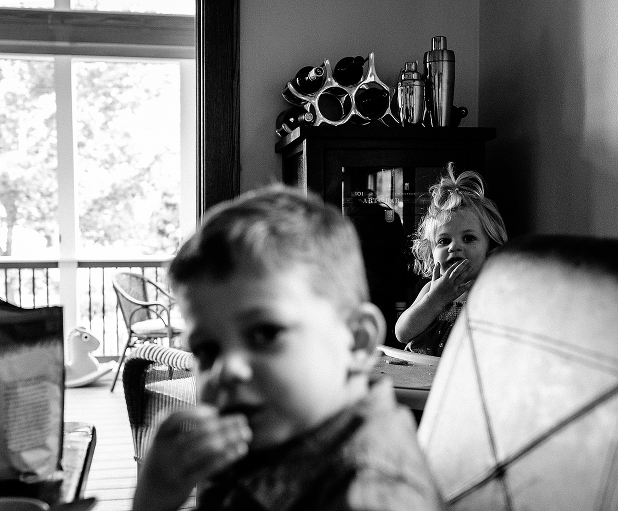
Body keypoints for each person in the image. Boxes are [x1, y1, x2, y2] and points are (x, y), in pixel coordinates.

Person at [133, 184, 444, 511]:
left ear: (356, 341)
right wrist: (155, 497)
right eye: (207, 351)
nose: (226, 369)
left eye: (265, 333)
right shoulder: (283, 427)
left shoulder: (370, 496)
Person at [394, 166, 507, 356]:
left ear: (490, 250)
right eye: (444, 241)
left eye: (469, 238)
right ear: (431, 252)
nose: (454, 247)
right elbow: (402, 334)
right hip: (421, 378)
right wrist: (435, 299)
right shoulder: (431, 290)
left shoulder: (489, 291)